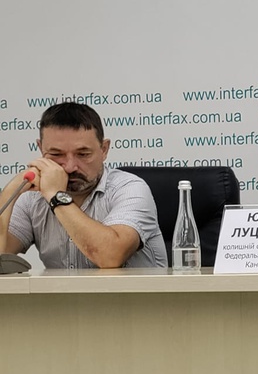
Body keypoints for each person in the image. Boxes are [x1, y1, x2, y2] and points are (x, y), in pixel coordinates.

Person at [0, 102, 167, 268]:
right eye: (56, 154)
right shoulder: (32, 198)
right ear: (41, 149)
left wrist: (56, 196)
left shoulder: (130, 188)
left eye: (83, 154)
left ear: (104, 149)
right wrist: (10, 191)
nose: (70, 167)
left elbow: (110, 256)